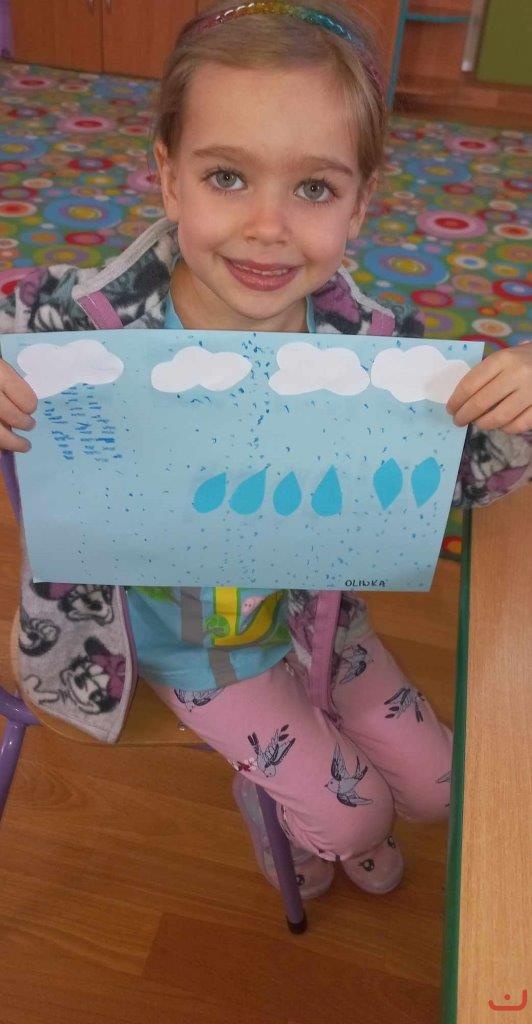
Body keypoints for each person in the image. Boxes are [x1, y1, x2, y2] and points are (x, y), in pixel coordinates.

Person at [0, 0, 531, 901]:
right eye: (227, 177)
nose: (268, 226)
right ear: (169, 181)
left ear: (361, 204)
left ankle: (319, 806)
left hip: (320, 614)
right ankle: (289, 813)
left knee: (442, 788)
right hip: (182, 645)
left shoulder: (377, 350)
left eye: (314, 189)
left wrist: (512, 404)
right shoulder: (70, 323)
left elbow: (463, 478)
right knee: (354, 816)